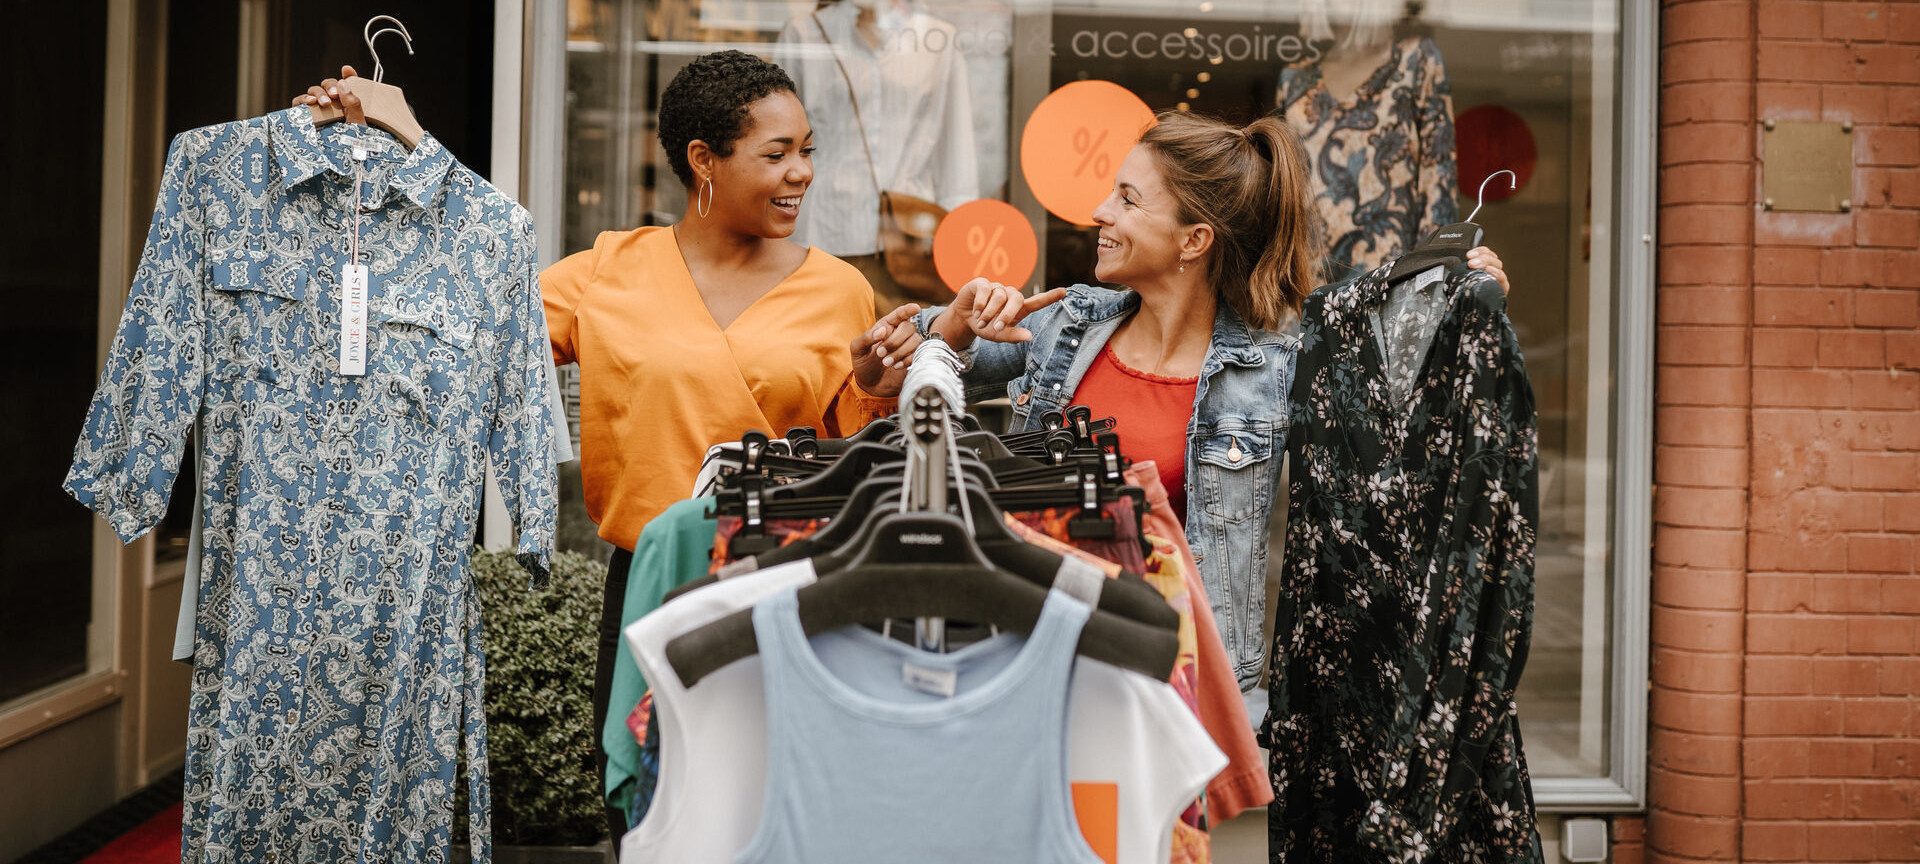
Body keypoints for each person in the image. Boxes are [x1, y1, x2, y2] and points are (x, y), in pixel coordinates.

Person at [296, 50, 926, 840]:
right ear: (703, 160)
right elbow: (469, 304)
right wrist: (398, 140)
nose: (801, 172)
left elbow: (856, 453)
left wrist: (875, 383)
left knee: (784, 815)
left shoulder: (838, 288)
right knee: (644, 812)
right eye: (776, 154)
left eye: (807, 150)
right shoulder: (611, 271)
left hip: (793, 580)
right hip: (650, 587)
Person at [887, 110, 1509, 701]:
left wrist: (1462, 306)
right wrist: (943, 327)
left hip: (1182, 682)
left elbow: (1403, 413)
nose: (1101, 212)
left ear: (1195, 240)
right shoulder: (1066, 326)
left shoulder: (1273, 371)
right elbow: (910, 378)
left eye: (1128, 199)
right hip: (1034, 653)